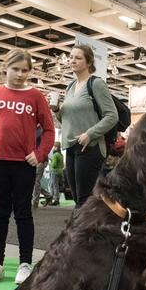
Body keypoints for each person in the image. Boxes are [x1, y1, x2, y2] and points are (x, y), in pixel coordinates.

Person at [0, 48, 55, 285]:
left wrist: (40, 153)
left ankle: (24, 263)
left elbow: (49, 130)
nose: (20, 74)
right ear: (6, 68)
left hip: (24, 164)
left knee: (23, 213)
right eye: (16, 69)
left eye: (25, 70)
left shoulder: (35, 97)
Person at [56, 44, 117, 208]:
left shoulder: (96, 84)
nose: (72, 60)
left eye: (78, 57)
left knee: (86, 199)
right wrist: (56, 111)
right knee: (77, 198)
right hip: (70, 146)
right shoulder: (70, 86)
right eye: (70, 57)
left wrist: (90, 133)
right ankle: (83, 231)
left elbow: (112, 116)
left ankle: (85, 232)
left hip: (90, 146)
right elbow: (67, 119)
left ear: (89, 62)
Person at [46, 141, 64, 206]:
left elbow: (54, 165)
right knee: (56, 186)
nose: (53, 148)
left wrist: (50, 162)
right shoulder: (60, 155)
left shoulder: (55, 155)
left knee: (53, 186)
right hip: (60, 172)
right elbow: (62, 165)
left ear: (56, 147)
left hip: (54, 172)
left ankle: (54, 199)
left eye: (54, 146)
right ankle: (55, 199)